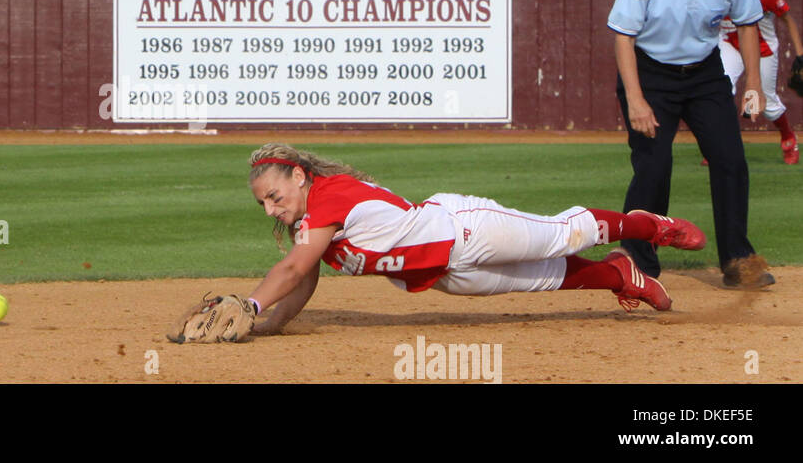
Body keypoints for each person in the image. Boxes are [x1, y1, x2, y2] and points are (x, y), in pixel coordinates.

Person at [233, 143, 704, 337]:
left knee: (565, 234)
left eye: (275, 196)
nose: (272, 209)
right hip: (442, 274)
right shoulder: (308, 223)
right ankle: (621, 274)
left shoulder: (328, 197)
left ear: (298, 176)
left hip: (466, 229)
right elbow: (305, 277)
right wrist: (273, 323)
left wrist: (249, 307)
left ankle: (650, 226)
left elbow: (291, 270)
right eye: (264, 206)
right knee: (543, 279)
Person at [607, 0, 775, 290]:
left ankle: (737, 260)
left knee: (731, 161)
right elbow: (623, 37)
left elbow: (749, 22)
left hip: (704, 73)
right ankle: (638, 259)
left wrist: (754, 83)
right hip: (651, 74)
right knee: (653, 166)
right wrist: (636, 100)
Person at [714, 0, 802, 165]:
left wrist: (800, 54)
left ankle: (788, 137)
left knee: (768, 102)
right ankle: (718, 145)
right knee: (720, 90)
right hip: (731, 45)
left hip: (762, 49)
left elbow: (787, 18)